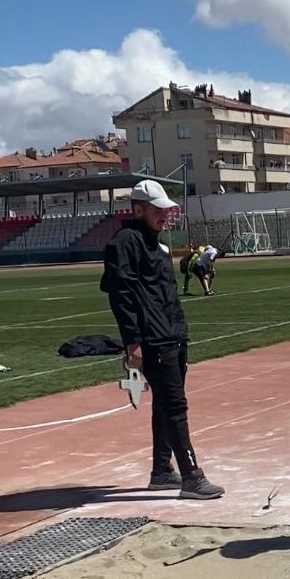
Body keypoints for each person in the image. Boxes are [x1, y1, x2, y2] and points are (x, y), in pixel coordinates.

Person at [100, 179, 225, 499]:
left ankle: (161, 470)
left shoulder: (157, 243)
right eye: (156, 209)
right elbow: (120, 293)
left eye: (164, 209)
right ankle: (192, 477)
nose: (163, 215)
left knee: (166, 405)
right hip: (153, 339)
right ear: (137, 209)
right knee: (174, 407)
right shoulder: (125, 242)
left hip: (172, 334)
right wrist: (133, 342)